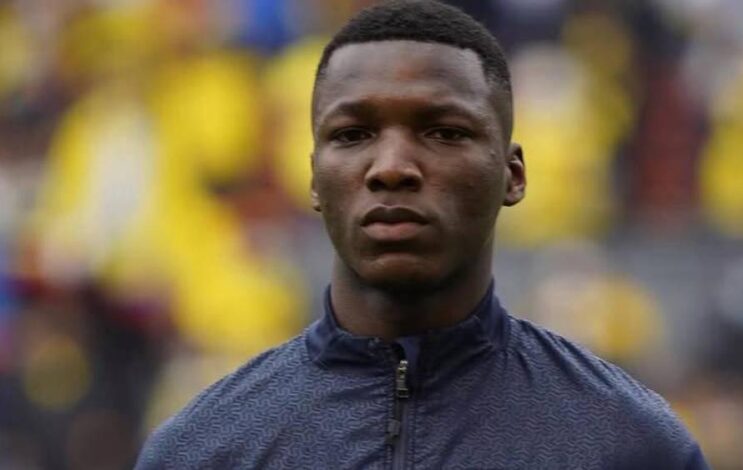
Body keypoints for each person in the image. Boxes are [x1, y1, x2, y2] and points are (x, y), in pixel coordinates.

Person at [136, 1, 710, 468]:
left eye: (443, 132)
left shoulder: (628, 445)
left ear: (512, 175)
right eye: (353, 134)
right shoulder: (204, 451)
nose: (392, 167)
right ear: (312, 178)